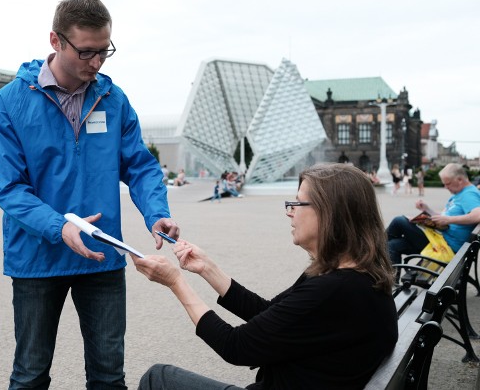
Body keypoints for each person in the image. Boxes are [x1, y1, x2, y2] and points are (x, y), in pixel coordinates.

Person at [0, 0, 179, 390]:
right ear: (56, 41)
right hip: (37, 259)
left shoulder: (114, 99)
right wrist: (60, 228)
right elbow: (11, 189)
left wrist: (156, 212)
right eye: (87, 52)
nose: (97, 63)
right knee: (30, 375)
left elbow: (140, 167)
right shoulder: (8, 103)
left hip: (102, 257)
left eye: (104, 51)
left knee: (109, 377)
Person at [133, 163, 397, 389]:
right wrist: (207, 268)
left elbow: (235, 346)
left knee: (158, 378)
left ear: (329, 213)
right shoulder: (352, 276)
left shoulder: (332, 290)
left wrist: (176, 282)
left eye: (297, 203)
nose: (289, 211)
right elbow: (269, 312)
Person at [387, 163, 480, 266]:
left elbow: (477, 215)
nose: (445, 187)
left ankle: (374, 254)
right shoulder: (460, 193)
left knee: (399, 221)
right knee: (392, 246)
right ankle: (390, 281)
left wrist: (448, 220)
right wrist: (427, 209)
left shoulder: (469, 194)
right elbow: (443, 216)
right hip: (440, 240)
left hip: (445, 245)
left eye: (447, 183)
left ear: (460, 180)